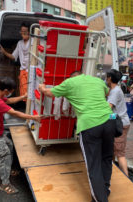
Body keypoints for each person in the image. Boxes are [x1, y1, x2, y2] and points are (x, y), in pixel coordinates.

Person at [39, 71, 116, 202]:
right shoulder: (96, 80)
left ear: (71, 77)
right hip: (110, 121)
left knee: (93, 165)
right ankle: (105, 190)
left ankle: (100, 199)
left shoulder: (70, 83)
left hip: (90, 125)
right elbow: (107, 93)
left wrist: (41, 87)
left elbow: (49, 93)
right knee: (106, 158)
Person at [0, 77, 41, 194]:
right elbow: (14, 112)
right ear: (5, 90)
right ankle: (5, 184)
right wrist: (33, 117)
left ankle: (7, 169)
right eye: (10, 92)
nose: (10, 94)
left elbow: (10, 101)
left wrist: (23, 97)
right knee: (5, 154)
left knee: (9, 144)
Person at [106, 69, 130, 176]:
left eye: (106, 77)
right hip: (117, 122)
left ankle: (127, 178)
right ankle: (113, 173)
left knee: (120, 153)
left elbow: (108, 108)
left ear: (110, 78)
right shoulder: (114, 90)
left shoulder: (115, 91)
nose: (105, 80)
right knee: (112, 151)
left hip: (120, 124)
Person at [0, 23, 31, 98]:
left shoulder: (34, 41)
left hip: (32, 71)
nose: (23, 33)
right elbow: (13, 56)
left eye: (25, 31)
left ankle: (29, 109)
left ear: (29, 32)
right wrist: (4, 52)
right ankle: (27, 108)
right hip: (23, 71)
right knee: (24, 94)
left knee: (31, 93)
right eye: (21, 31)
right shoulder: (20, 43)